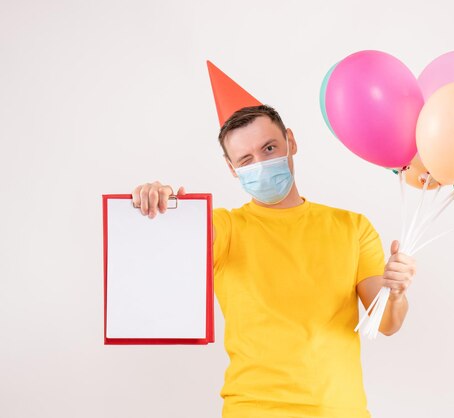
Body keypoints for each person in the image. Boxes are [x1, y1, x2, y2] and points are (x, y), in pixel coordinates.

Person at [132, 73, 416, 418]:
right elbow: (164, 253)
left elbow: (385, 323)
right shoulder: (224, 227)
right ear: (231, 168)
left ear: (290, 141)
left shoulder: (353, 227)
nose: (262, 165)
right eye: (246, 159)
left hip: (340, 411)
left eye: (269, 148)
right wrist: (158, 206)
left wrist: (396, 292)